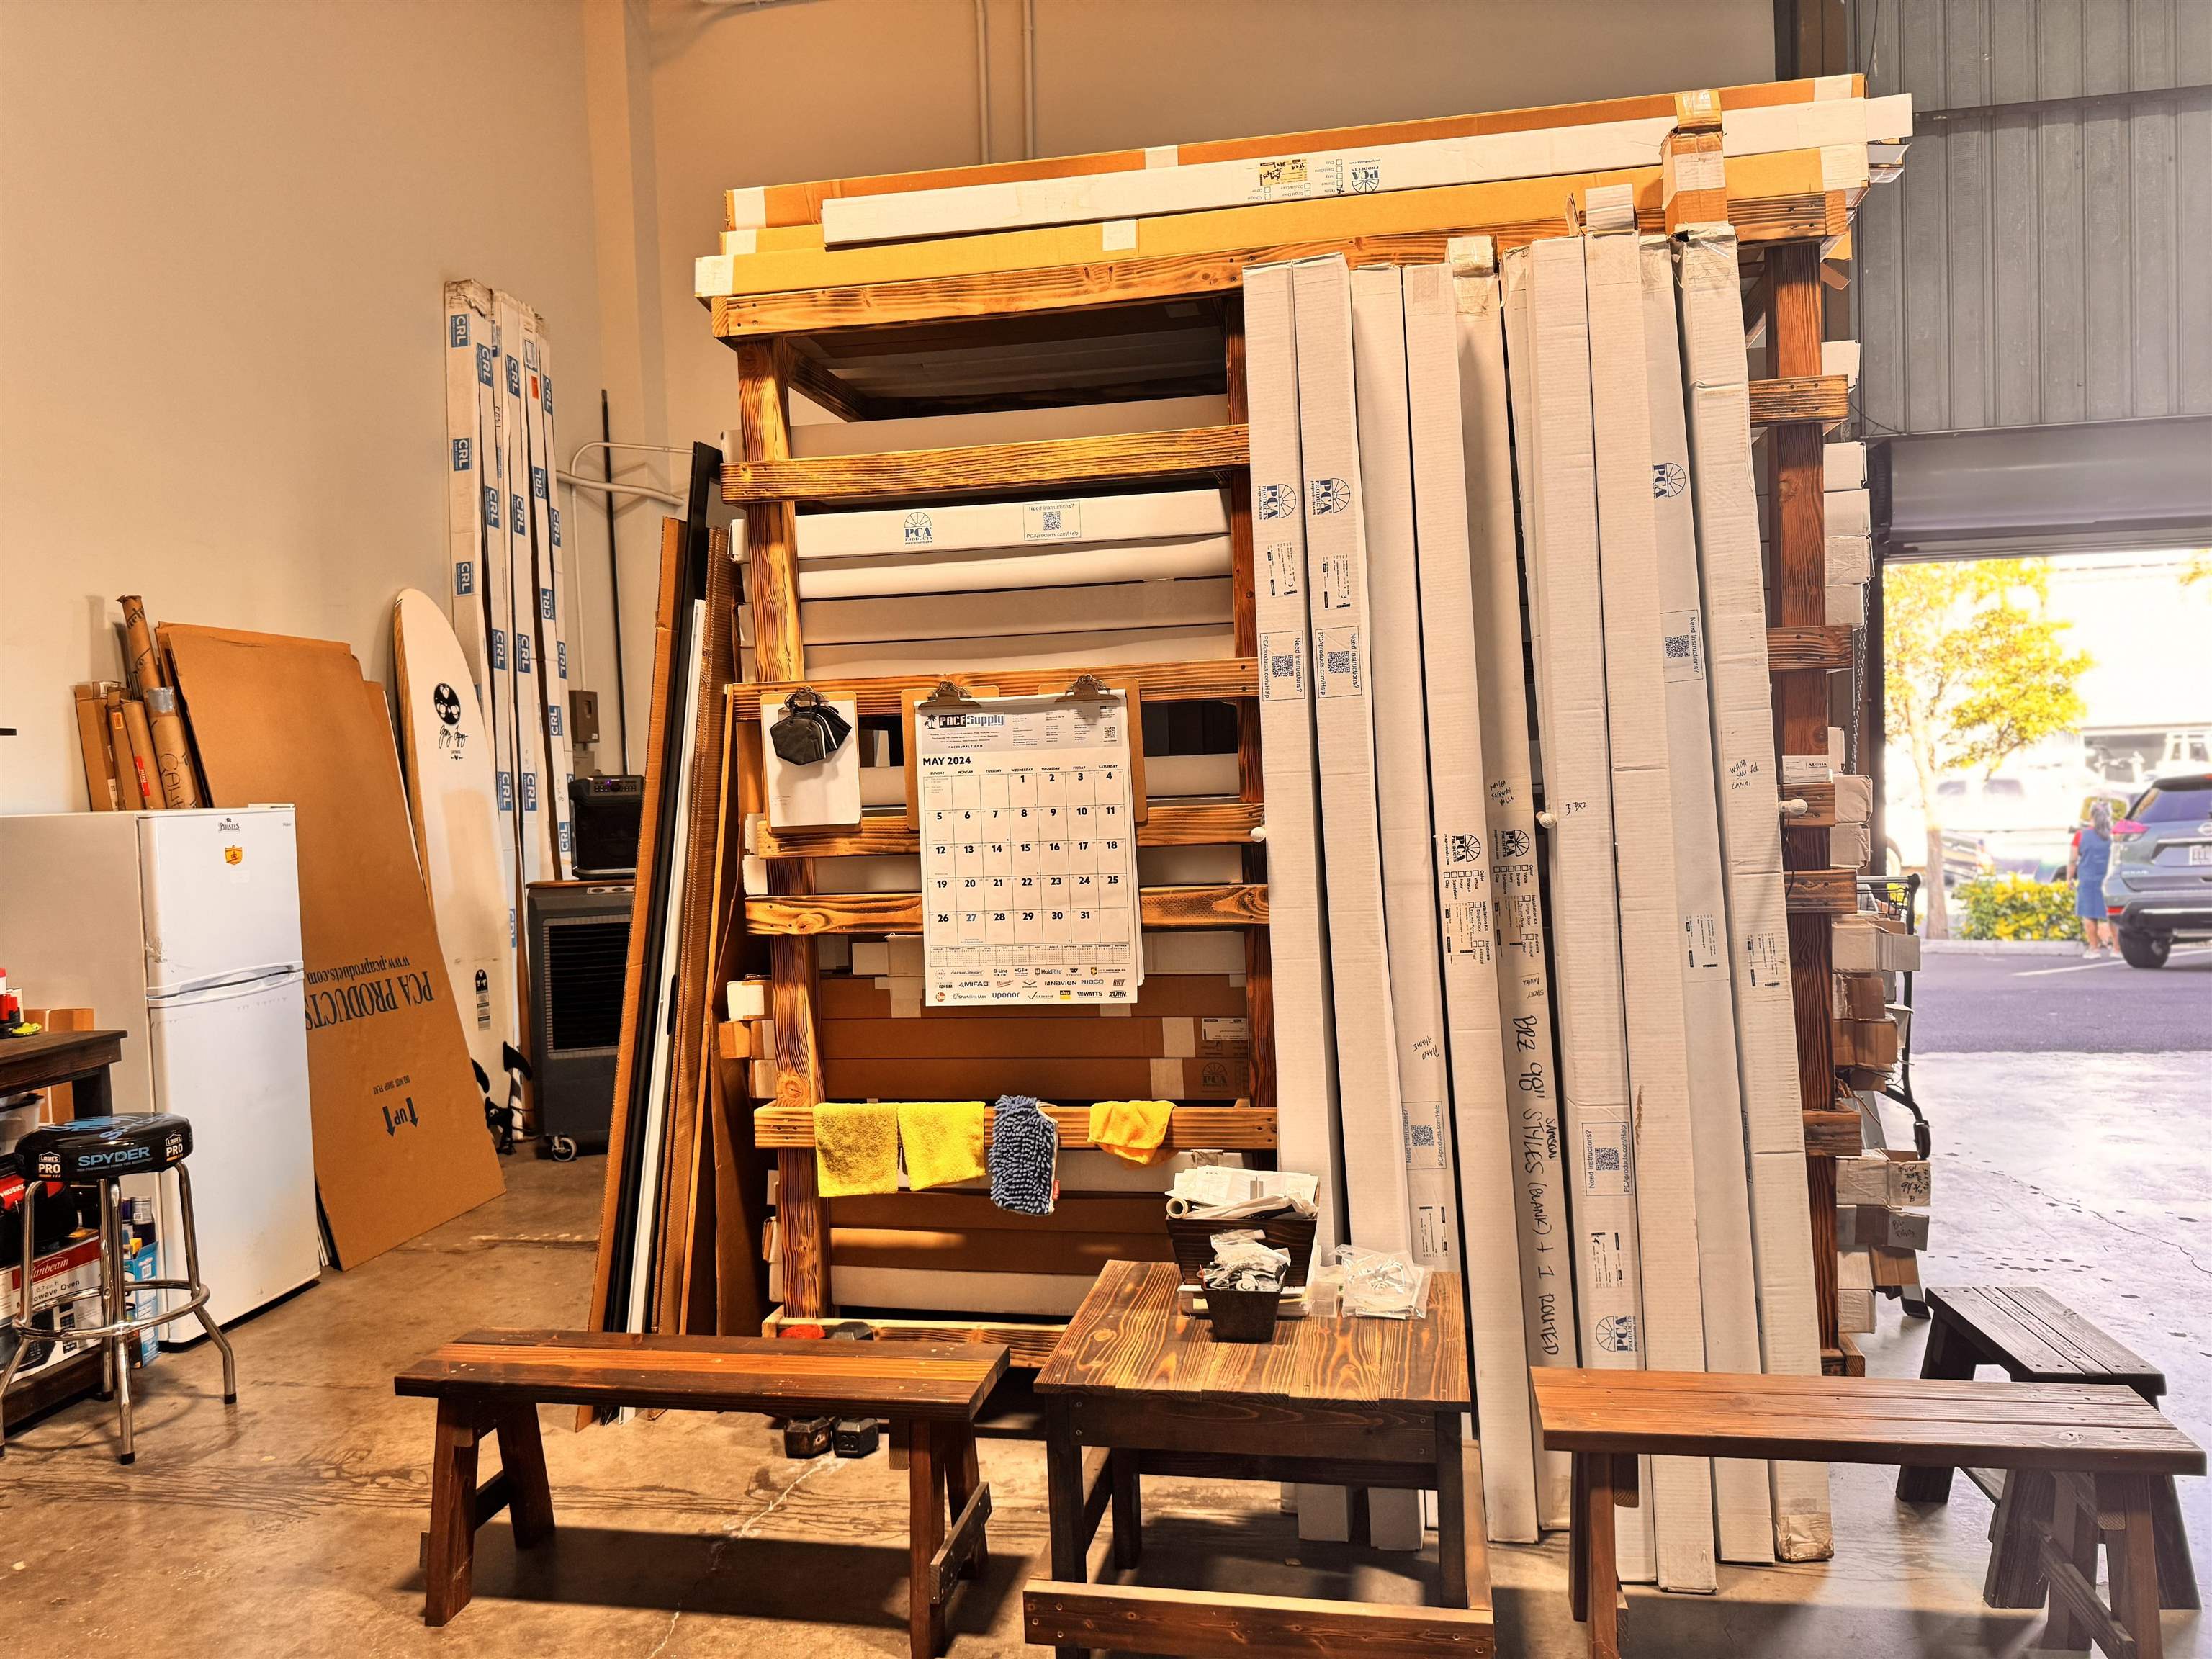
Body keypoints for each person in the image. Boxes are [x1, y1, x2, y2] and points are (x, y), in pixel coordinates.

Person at [2069, 799, 2118, 957]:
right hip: (2110, 880)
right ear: (2109, 816)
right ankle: (2117, 949)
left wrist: (2069, 877)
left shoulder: (2080, 835)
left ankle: (2094, 949)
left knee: (2089, 914)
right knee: (2113, 914)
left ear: (2091, 815)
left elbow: (2072, 860)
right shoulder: (2114, 835)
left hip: (2088, 879)